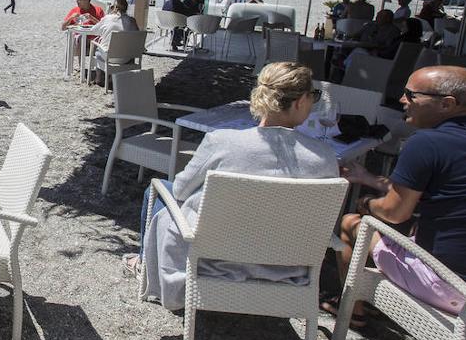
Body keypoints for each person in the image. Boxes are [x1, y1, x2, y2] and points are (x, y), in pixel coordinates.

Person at [331, 67, 466, 322]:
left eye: (411, 94)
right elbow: (443, 191)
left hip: (453, 287)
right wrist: (368, 178)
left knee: (351, 223)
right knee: (413, 228)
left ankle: (353, 311)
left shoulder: (425, 143)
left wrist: (366, 203)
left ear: (447, 104)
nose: (402, 100)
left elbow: (394, 212)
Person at [132, 62, 340, 309]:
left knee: (157, 190)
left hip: (214, 261)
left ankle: (145, 265)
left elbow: (179, 191)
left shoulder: (223, 142)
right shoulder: (324, 159)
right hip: (286, 269)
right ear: (299, 102)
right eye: (313, 96)